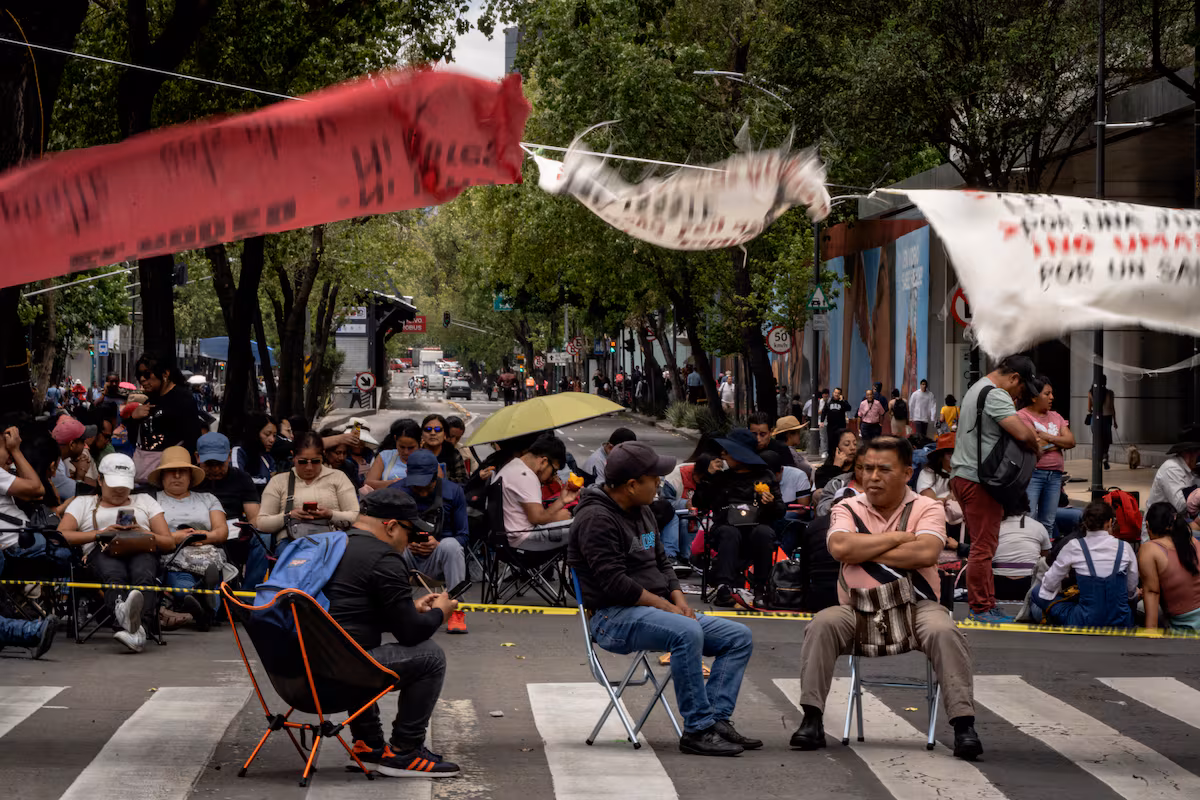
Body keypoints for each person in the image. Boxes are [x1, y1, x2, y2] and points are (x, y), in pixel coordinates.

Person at [792, 436, 982, 760]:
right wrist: (897, 538)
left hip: (916, 608)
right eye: (866, 469)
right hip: (856, 607)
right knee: (821, 624)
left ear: (907, 472)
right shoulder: (846, 507)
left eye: (883, 469)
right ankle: (811, 720)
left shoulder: (928, 507)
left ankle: (964, 726)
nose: (872, 477)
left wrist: (864, 547)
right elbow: (840, 548)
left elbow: (926, 552)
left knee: (944, 631)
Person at [569, 441, 758, 756]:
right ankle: (697, 729)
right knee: (687, 631)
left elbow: (661, 563)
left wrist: (679, 600)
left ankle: (715, 719)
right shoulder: (596, 519)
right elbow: (617, 585)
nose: (659, 483)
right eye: (653, 478)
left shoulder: (642, 511)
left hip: (658, 611)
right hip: (612, 617)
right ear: (632, 485)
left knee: (738, 637)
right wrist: (669, 609)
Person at [324, 489, 460, 777]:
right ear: (391, 526)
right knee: (431, 655)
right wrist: (441, 613)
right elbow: (411, 634)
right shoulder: (384, 557)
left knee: (358, 641)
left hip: (295, 674)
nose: (411, 543)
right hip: (336, 679)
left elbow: (349, 613)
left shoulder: (332, 543)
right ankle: (404, 751)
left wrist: (410, 607)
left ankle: (369, 745)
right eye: (411, 534)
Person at [949, 355, 1039, 624]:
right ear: (1013, 378)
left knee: (984, 544)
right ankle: (980, 607)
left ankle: (986, 603)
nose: (1019, 396)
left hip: (966, 476)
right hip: (979, 480)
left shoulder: (977, 388)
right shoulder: (995, 394)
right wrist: (1035, 442)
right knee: (983, 547)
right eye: (1021, 389)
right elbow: (1023, 435)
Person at [58, 453, 175, 653]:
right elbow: (61, 534)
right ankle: (132, 626)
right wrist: (100, 534)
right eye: (114, 485)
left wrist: (143, 532)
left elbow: (169, 542)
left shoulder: (144, 500)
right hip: (101, 551)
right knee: (114, 575)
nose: (120, 491)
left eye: (124, 486)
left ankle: (135, 629)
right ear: (100, 480)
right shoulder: (84, 502)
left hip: (141, 549)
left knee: (143, 575)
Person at [692, 428, 784, 607]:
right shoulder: (721, 478)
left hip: (756, 529)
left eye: (727, 452)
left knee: (764, 532)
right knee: (729, 532)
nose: (723, 455)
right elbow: (699, 503)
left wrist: (770, 502)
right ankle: (724, 587)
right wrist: (708, 478)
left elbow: (780, 511)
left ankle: (760, 588)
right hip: (726, 530)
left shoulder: (765, 476)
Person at [149, 446, 228, 629]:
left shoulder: (208, 499)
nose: (177, 476)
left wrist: (198, 537)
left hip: (206, 553)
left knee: (210, 577)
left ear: (190, 476)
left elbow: (221, 531)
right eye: (171, 472)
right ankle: (204, 611)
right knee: (184, 583)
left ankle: (202, 605)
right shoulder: (151, 500)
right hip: (173, 554)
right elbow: (147, 533)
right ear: (162, 476)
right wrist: (174, 538)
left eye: (182, 472)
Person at [393, 450, 470, 635]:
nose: (422, 491)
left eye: (426, 485)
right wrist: (404, 542)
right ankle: (395, 611)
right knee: (390, 546)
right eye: (416, 486)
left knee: (451, 544)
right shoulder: (395, 492)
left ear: (436, 477)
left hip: (438, 558)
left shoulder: (454, 492)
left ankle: (455, 610)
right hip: (405, 557)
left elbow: (464, 536)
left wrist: (437, 544)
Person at [1032, 502, 1137, 628]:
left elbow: (1049, 583)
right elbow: (1131, 589)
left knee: (1037, 591)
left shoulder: (1074, 546)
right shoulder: (1124, 547)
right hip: (1121, 620)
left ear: (1085, 523)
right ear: (1110, 522)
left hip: (1084, 620)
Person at [258, 432, 360, 541]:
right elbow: (262, 523)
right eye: (303, 462)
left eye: (316, 461)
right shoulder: (279, 482)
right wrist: (288, 516)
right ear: (293, 457)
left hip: (332, 542)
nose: (309, 467)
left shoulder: (338, 477)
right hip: (291, 542)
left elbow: (354, 516)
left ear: (323, 456)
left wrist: (330, 514)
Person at [493, 434, 579, 551]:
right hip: (525, 540)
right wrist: (557, 517)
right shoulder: (526, 476)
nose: (553, 477)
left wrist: (562, 500)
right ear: (544, 462)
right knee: (584, 526)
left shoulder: (514, 466)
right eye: (554, 471)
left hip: (511, 537)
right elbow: (537, 518)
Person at [127, 352, 204, 484]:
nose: (142, 380)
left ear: (165, 374)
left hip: (171, 476)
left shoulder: (182, 399)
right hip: (145, 476)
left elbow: (192, 439)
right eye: (139, 375)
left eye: (147, 374)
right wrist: (133, 418)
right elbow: (134, 440)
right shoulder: (149, 401)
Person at [1017, 375, 1074, 538]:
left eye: (1051, 393)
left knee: (1048, 521)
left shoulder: (1056, 416)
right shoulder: (1022, 416)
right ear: (1034, 397)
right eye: (1047, 394)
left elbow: (1071, 441)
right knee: (1028, 518)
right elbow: (1035, 445)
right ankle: (1029, 555)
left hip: (1055, 475)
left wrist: (1046, 436)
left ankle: (1044, 559)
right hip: (1033, 474)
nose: (1052, 398)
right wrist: (1059, 443)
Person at [1140, 502, 1200, 631]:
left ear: (1148, 526)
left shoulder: (1149, 549)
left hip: (1185, 629)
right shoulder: (1194, 541)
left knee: (1139, 607)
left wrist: (1150, 633)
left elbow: (1152, 592)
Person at [993, 503, 1052, 601]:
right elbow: (1045, 556)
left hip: (998, 586)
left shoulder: (993, 526)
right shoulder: (1038, 526)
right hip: (1029, 586)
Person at [1145, 426, 1200, 521]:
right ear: (1190, 453)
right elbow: (1182, 506)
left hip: (1182, 524)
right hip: (1160, 529)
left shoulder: (1193, 469)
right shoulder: (1171, 469)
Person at [915, 433, 963, 543]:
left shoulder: (964, 474)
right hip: (937, 522)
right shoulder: (928, 474)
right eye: (949, 454)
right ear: (941, 456)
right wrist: (948, 498)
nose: (954, 457)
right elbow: (930, 502)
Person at [366, 420, 423, 490]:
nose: (406, 452)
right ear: (395, 439)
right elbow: (368, 483)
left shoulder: (428, 459)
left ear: (420, 442)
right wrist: (392, 483)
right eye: (402, 447)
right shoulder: (385, 456)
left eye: (411, 448)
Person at [51, 414, 94, 501]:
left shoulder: (59, 460)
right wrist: (80, 475)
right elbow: (80, 496)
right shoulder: (56, 468)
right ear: (72, 445)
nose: (85, 445)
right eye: (82, 441)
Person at [232, 413, 277, 493]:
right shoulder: (239, 451)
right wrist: (267, 480)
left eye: (274, 435)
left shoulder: (267, 456)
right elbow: (238, 478)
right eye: (267, 434)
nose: (272, 440)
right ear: (255, 433)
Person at [421, 414, 468, 485]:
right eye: (428, 429)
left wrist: (442, 479)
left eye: (438, 430)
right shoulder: (414, 451)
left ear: (445, 434)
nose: (433, 433)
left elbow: (463, 481)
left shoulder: (453, 453)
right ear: (422, 434)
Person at [1087, 374, 1117, 469]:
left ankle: (1097, 460)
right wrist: (1115, 421)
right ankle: (1105, 457)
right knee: (1106, 441)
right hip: (1107, 419)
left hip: (1095, 420)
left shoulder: (1091, 392)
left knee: (1097, 440)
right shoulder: (1110, 393)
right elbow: (1112, 408)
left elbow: (1089, 409)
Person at [771, 415, 813, 482]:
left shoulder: (777, 449)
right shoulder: (788, 452)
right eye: (798, 432)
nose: (799, 435)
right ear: (789, 435)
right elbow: (807, 470)